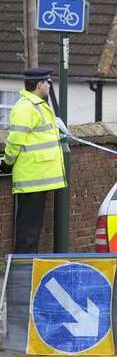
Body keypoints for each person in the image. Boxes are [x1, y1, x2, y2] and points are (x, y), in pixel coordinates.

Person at [0, 67, 67, 253]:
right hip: (32, 177)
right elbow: (15, 140)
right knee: (28, 231)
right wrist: (7, 161)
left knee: (32, 229)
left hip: (38, 177)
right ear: (39, 84)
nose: (48, 86)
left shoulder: (38, 105)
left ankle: (28, 267)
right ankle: (23, 271)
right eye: (47, 82)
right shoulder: (26, 108)